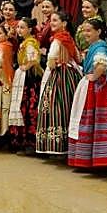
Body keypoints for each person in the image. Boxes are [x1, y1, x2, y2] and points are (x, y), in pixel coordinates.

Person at [67, 18, 107, 168]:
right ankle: (86, 158)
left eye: (89, 30)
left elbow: (102, 63)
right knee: (86, 119)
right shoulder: (94, 46)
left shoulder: (100, 47)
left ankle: (93, 160)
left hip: (96, 88)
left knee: (91, 120)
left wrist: (94, 76)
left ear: (98, 32)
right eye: (84, 30)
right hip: (90, 85)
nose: (85, 33)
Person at [35, 10, 79, 156]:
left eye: (55, 20)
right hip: (71, 74)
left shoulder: (58, 39)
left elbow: (52, 59)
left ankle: (56, 145)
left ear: (64, 23)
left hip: (59, 75)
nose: (52, 23)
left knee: (54, 107)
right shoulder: (69, 38)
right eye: (51, 20)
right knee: (68, 106)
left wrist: (49, 66)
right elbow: (77, 57)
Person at [7, 17, 42, 150]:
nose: (19, 30)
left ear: (30, 29)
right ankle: (21, 139)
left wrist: (25, 67)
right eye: (18, 27)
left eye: (22, 28)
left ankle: (30, 141)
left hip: (29, 78)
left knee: (28, 106)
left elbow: (34, 59)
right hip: (23, 75)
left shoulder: (30, 43)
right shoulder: (24, 42)